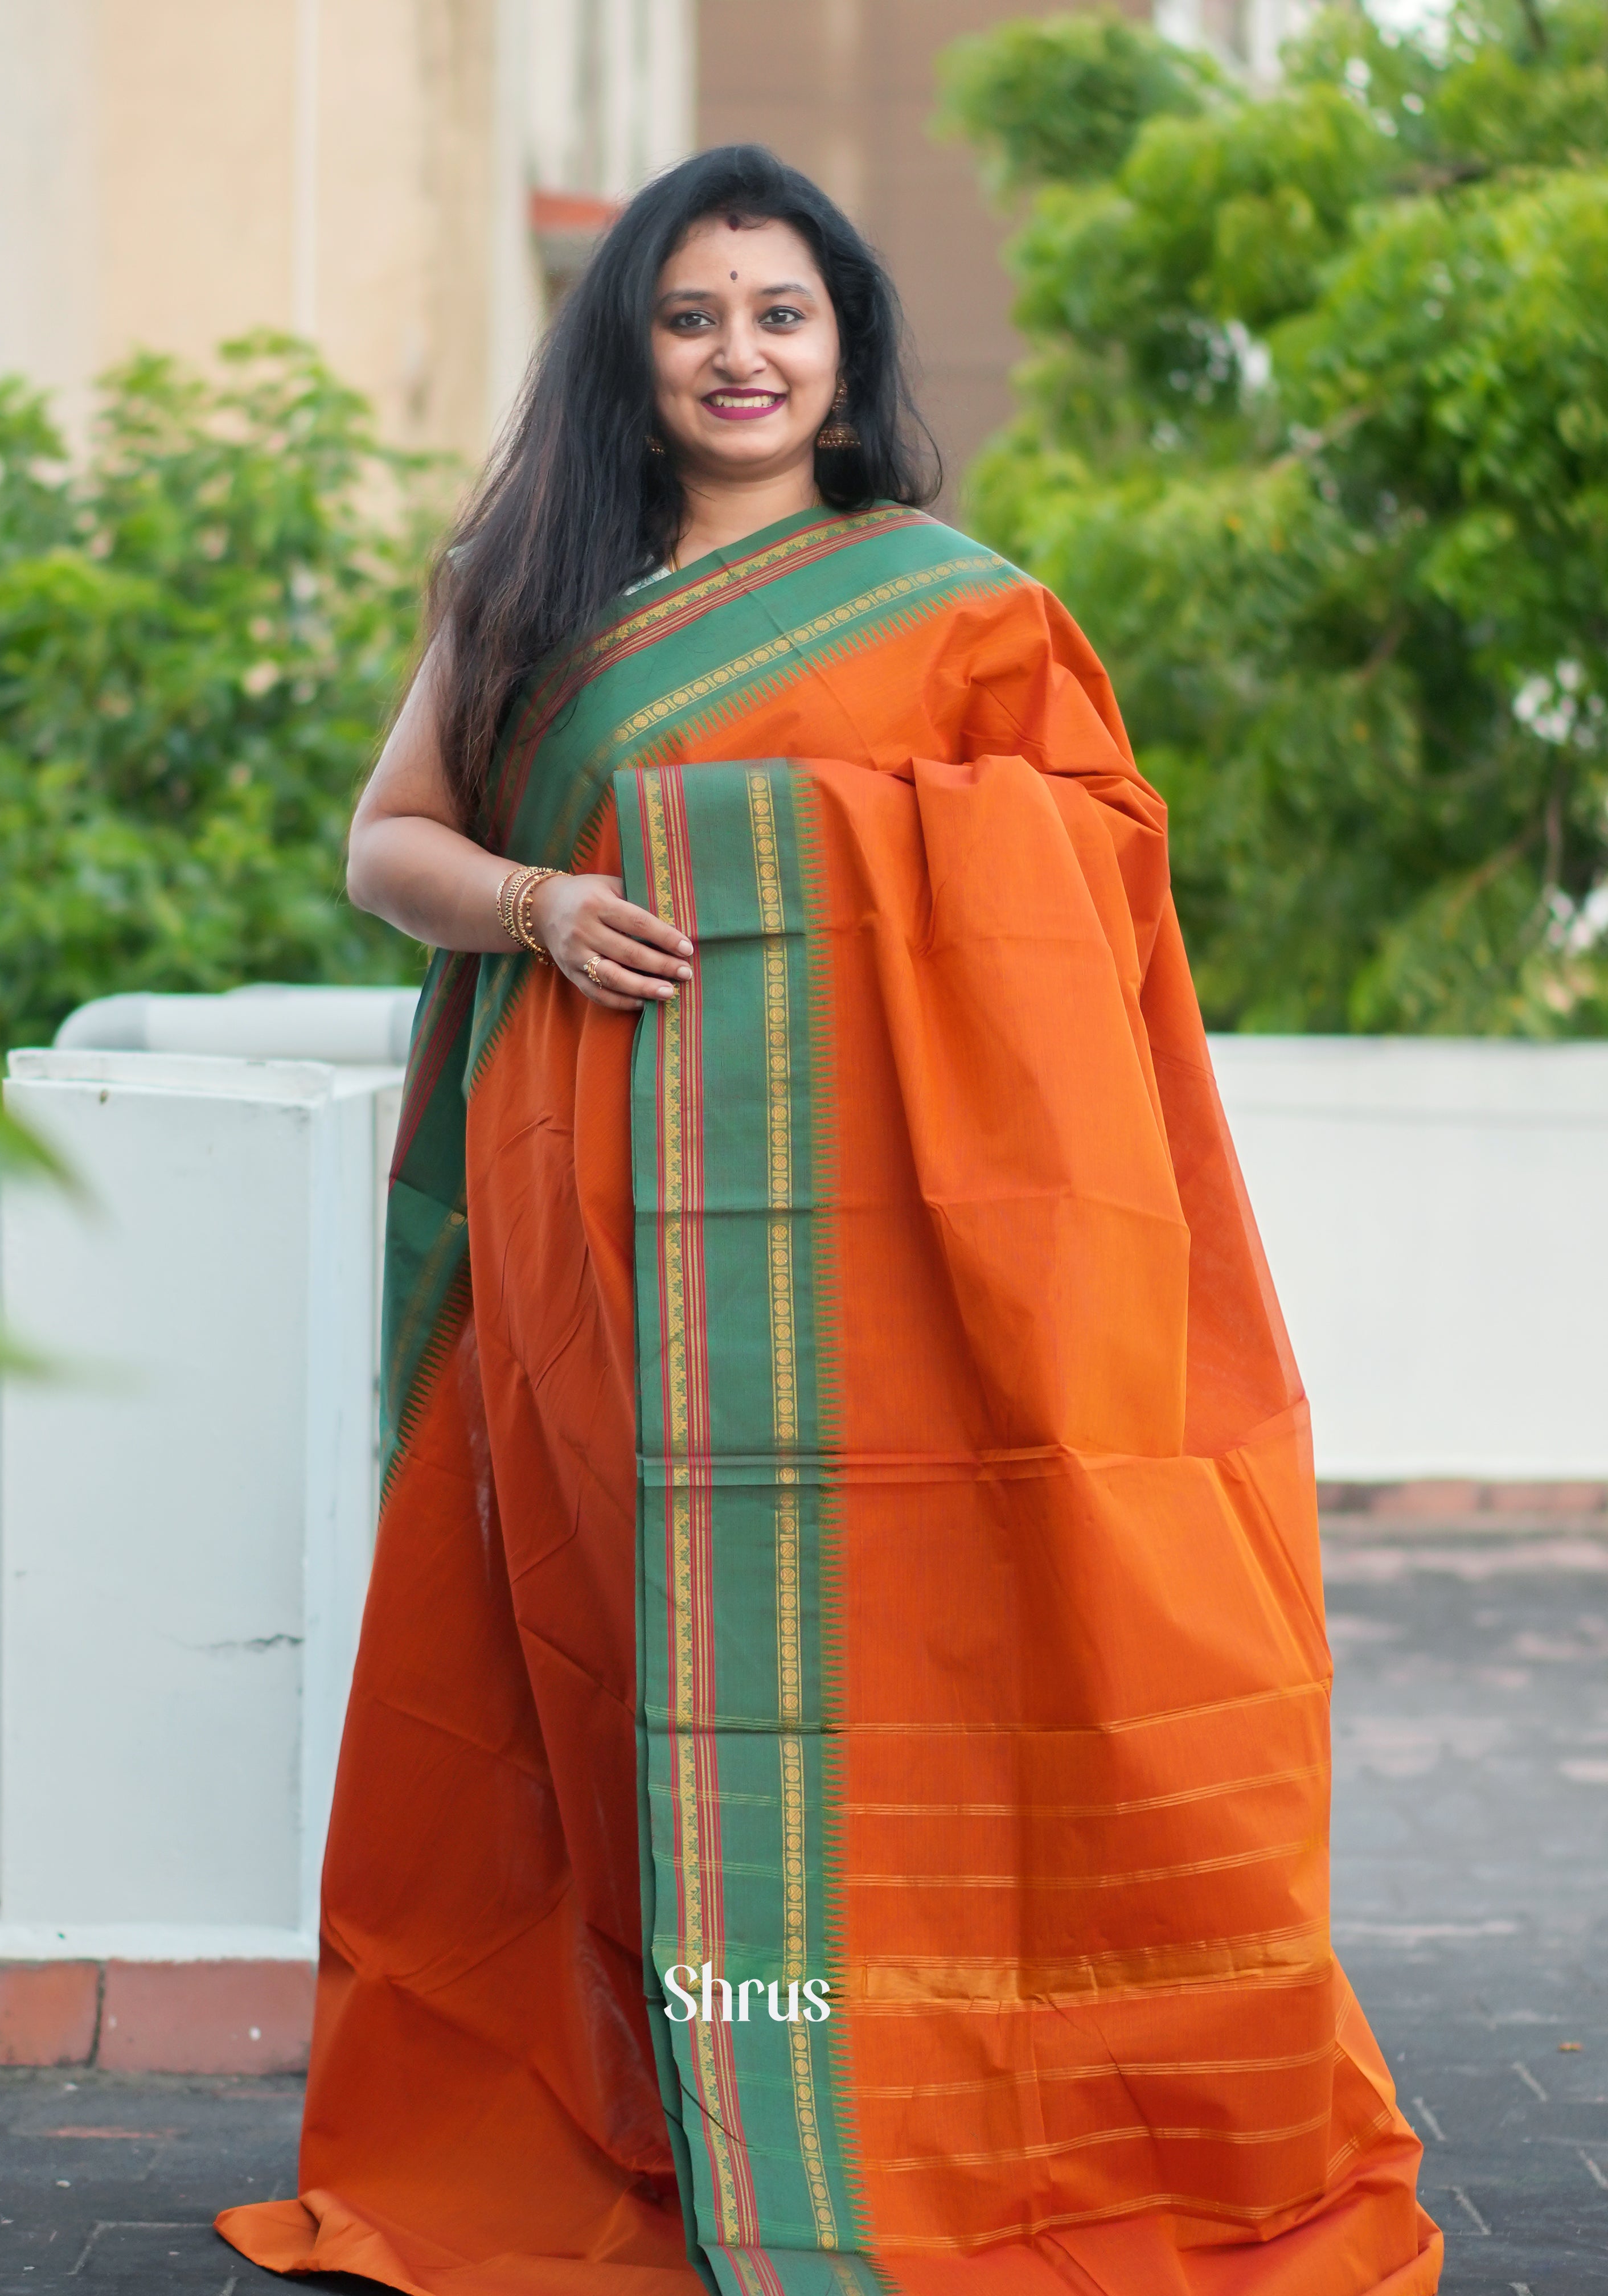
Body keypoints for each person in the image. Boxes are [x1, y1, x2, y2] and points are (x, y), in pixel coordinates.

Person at [218, 146, 1441, 2296]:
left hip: (903, 1264)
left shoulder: (960, 609)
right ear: (631, 356)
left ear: (851, 359)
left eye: (782, 314)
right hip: (596, 1240)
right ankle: (690, 2124)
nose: (738, 353)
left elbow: (1094, 879)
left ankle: (916, 2115)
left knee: (935, 1665)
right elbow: (388, 845)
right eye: (691, 316)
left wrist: (788, 853)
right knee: (624, 1672)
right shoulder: (517, 582)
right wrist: (544, 899)